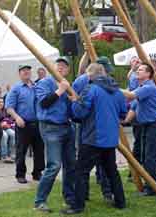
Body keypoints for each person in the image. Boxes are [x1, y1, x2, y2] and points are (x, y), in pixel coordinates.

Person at [60, 63, 127, 215]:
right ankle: (120, 202)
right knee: (112, 171)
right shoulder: (117, 90)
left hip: (93, 138)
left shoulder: (91, 89)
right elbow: (123, 114)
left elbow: (79, 113)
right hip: (110, 139)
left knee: (81, 172)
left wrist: (75, 102)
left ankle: (77, 205)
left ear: (90, 76)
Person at [34, 57, 76, 212]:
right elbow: (44, 103)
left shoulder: (67, 84)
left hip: (67, 127)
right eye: (58, 65)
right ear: (52, 67)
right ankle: (40, 202)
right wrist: (61, 90)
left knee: (71, 164)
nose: (60, 67)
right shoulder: (44, 83)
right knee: (54, 165)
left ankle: (70, 199)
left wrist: (73, 101)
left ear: (67, 70)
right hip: (50, 128)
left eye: (64, 66)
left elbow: (72, 111)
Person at [72, 56, 114, 202]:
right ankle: (99, 193)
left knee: (88, 165)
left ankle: (91, 194)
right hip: (92, 128)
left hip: (92, 129)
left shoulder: (106, 83)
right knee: (100, 164)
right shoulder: (103, 83)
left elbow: (76, 105)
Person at [122, 62, 156, 196]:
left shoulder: (148, 87)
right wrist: (124, 122)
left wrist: (110, 88)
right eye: (138, 69)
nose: (137, 71)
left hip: (155, 124)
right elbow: (134, 108)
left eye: (141, 70)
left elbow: (130, 96)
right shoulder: (142, 88)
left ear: (148, 74)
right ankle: (153, 184)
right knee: (145, 155)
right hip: (147, 125)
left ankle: (151, 188)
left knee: (150, 157)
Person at [5, 65, 45, 184]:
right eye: (24, 70)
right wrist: (17, 118)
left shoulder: (36, 87)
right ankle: (20, 174)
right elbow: (9, 107)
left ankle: (37, 173)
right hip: (23, 124)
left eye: (28, 70)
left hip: (38, 123)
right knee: (21, 151)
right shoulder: (16, 88)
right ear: (19, 73)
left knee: (39, 150)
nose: (26, 72)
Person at [0, 97, 15, 163]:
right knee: (4, 135)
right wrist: (1, 125)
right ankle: (4, 156)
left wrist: (8, 124)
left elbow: (9, 119)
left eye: (2, 102)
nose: (1, 104)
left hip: (4, 127)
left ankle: (10, 154)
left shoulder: (4, 110)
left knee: (13, 134)